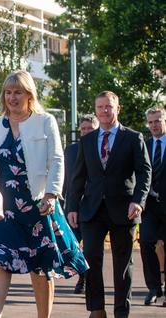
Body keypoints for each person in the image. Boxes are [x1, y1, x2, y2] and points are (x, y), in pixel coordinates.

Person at [0, 70, 88, 318]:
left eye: (18, 92)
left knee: (41, 267)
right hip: (3, 209)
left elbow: (57, 159)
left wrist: (51, 194)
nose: (12, 98)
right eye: (8, 92)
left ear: (29, 95)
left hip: (38, 205)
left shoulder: (45, 121)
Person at [67, 91, 151, 318]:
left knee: (122, 263)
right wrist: (72, 206)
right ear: (96, 110)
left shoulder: (133, 138)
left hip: (125, 209)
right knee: (91, 258)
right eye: (100, 106)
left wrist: (138, 201)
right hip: (92, 209)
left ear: (117, 109)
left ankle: (121, 312)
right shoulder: (87, 140)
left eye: (109, 106)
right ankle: (97, 309)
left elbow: (145, 172)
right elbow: (78, 177)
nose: (104, 111)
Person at [63, 114, 99, 294]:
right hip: (72, 206)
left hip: (92, 206)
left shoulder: (100, 149)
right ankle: (81, 274)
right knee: (72, 245)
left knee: (91, 248)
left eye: (89, 129)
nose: (85, 132)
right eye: (83, 129)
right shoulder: (70, 150)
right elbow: (65, 177)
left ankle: (84, 280)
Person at [140, 107, 166, 306]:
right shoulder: (145, 145)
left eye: (157, 121)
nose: (154, 125)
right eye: (150, 122)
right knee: (146, 243)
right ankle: (154, 287)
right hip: (149, 205)